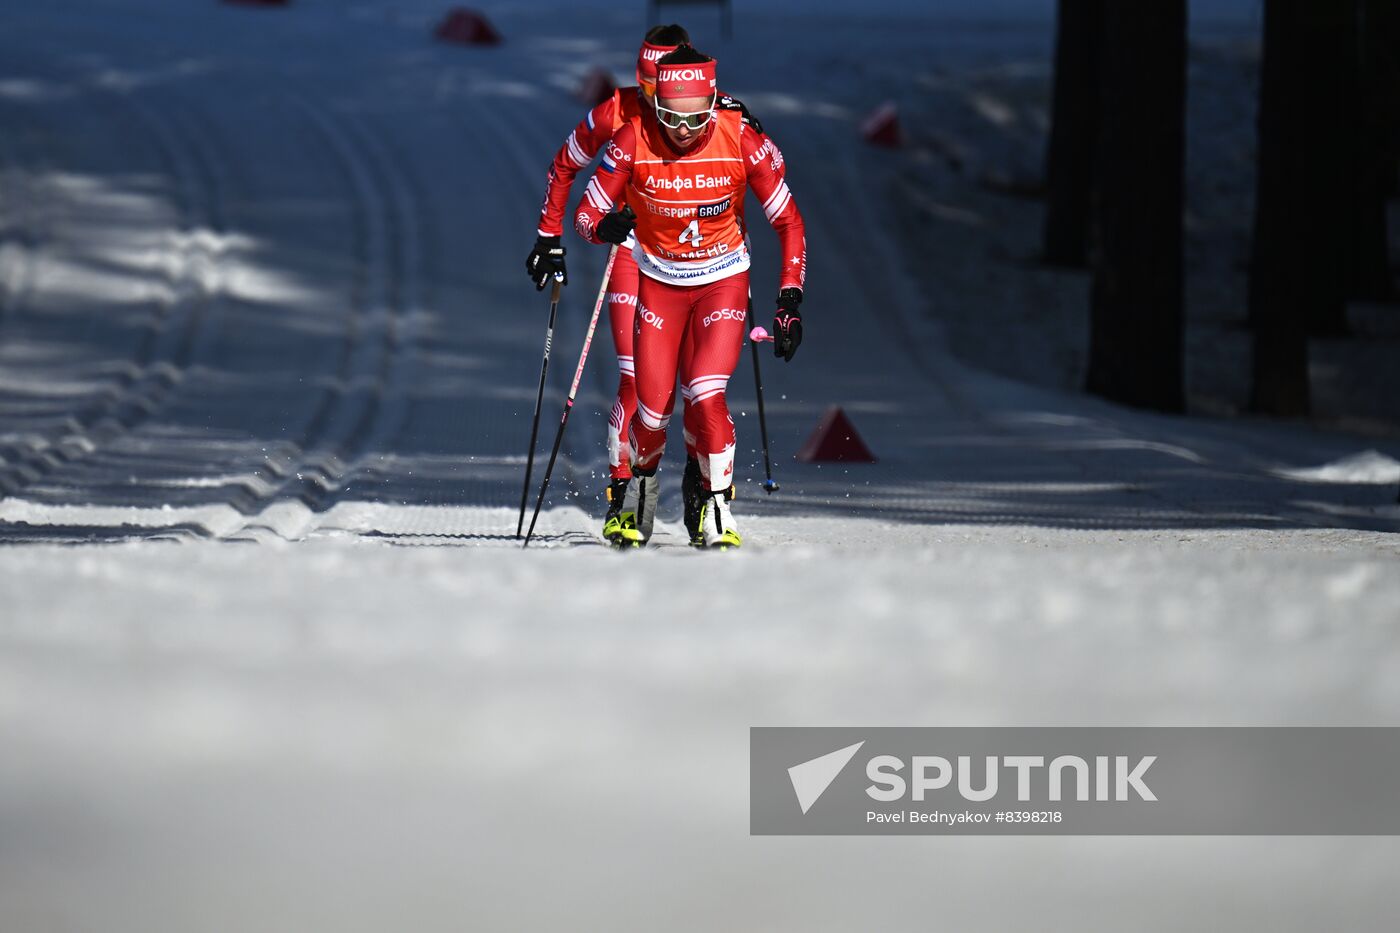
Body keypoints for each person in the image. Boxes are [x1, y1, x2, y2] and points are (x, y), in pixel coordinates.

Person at [525, 26, 773, 548]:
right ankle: (627, 495)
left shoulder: (718, 107)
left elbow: (741, 171)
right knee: (638, 379)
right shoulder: (616, 111)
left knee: (698, 384)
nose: (656, 103)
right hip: (634, 254)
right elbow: (565, 164)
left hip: (703, 262)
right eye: (646, 87)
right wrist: (551, 236)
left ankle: (700, 482)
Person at [574, 45, 806, 549]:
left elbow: (788, 220)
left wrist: (789, 300)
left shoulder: (739, 139)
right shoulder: (632, 138)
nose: (683, 130)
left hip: (723, 281)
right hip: (659, 286)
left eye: (697, 117)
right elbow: (586, 215)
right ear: (655, 105)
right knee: (652, 415)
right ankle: (640, 489)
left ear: (713, 103)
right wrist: (604, 226)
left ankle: (715, 501)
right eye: (671, 118)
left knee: (705, 394)